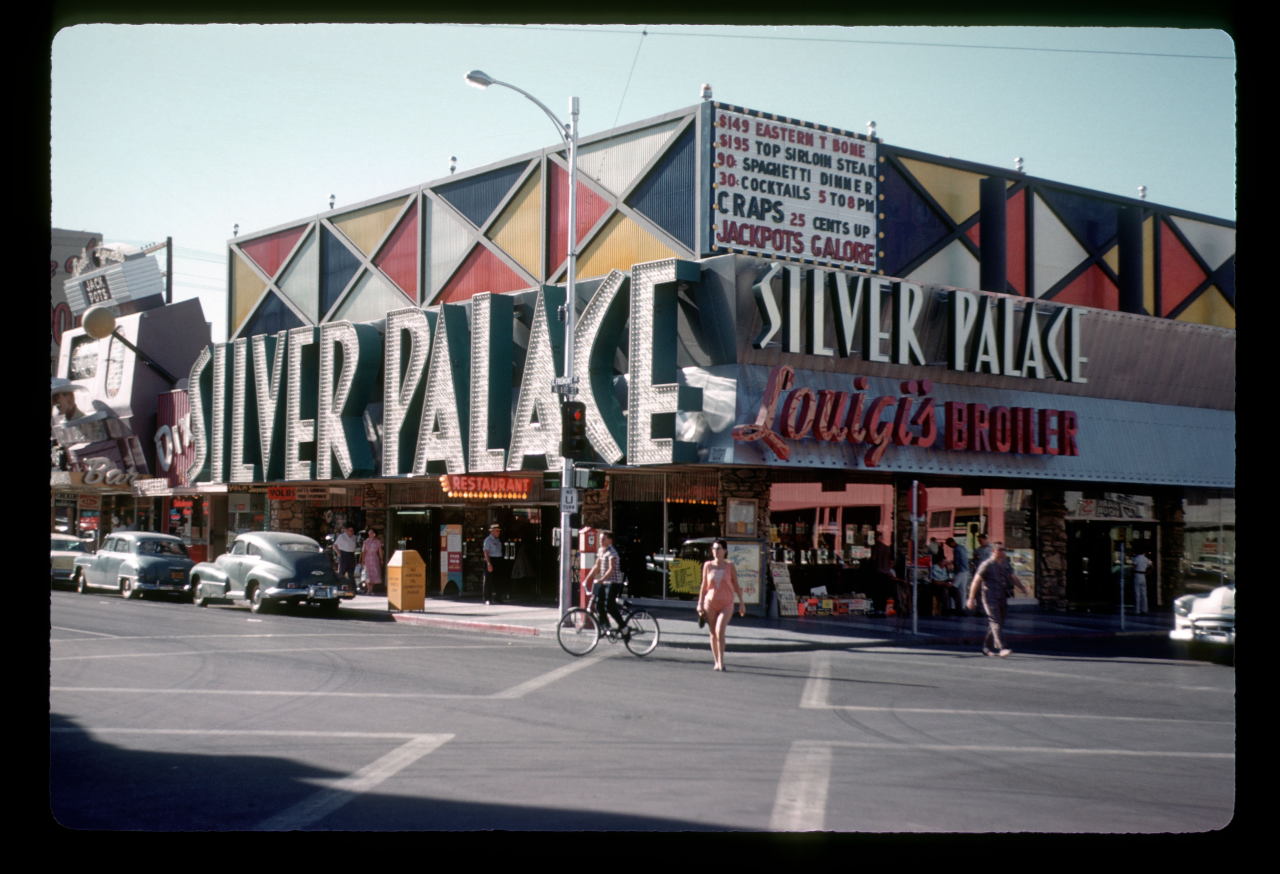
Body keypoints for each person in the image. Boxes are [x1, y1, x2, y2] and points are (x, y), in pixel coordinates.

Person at [966, 541, 1028, 657]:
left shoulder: (1005, 564)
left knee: (997, 622)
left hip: (1002, 595)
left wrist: (1022, 588)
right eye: (1001, 550)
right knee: (995, 621)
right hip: (989, 596)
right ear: (994, 551)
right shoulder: (987, 564)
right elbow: (976, 581)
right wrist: (971, 598)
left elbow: (1012, 577)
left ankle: (986, 647)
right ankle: (1002, 648)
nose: (1003, 552)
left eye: (1004, 549)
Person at [697, 539, 746, 672]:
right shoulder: (708, 565)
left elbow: (736, 584)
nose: (715, 551)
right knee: (713, 633)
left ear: (725, 551)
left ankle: (722, 661)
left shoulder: (729, 566)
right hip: (710, 603)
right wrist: (700, 603)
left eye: (718, 548)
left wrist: (741, 603)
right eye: (714, 549)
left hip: (727, 603)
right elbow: (704, 586)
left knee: (720, 630)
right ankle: (716, 661)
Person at [584, 530, 625, 633]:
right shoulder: (601, 550)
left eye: (603, 539)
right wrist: (586, 579)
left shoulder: (612, 552)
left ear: (610, 541)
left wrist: (601, 579)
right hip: (605, 582)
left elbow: (611, 569)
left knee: (609, 606)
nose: (600, 541)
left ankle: (624, 627)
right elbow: (596, 566)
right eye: (600, 539)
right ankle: (606, 627)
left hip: (614, 583)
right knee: (598, 605)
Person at [945, 536, 970, 616]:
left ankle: (953, 607)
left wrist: (954, 568)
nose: (950, 547)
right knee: (962, 590)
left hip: (960, 571)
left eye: (949, 545)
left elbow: (958, 561)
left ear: (952, 542)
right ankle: (962, 607)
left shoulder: (957, 549)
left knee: (953, 588)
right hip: (965, 570)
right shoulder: (962, 547)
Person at [482, 523, 504, 605]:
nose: (498, 532)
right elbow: (486, 552)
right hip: (491, 559)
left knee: (498, 579)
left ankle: (498, 597)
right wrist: (488, 563)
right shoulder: (488, 540)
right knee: (488, 580)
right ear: (492, 532)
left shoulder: (498, 540)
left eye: (499, 531)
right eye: (497, 531)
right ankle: (487, 598)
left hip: (498, 559)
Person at [361, 528, 384, 594]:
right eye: (369, 533)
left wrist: (381, 559)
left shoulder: (378, 542)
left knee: (374, 574)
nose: (370, 534)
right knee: (367, 574)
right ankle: (369, 589)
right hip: (367, 558)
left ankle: (371, 589)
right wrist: (363, 560)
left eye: (371, 533)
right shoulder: (365, 541)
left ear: (374, 534)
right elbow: (363, 551)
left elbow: (380, 551)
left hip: (374, 559)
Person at [334, 525, 358, 590]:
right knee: (342, 572)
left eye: (352, 531)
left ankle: (353, 588)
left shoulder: (354, 537)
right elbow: (335, 546)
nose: (352, 532)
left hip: (351, 555)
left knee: (351, 573)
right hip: (344, 554)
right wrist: (339, 554)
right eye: (350, 530)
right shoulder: (342, 537)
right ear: (347, 531)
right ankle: (338, 587)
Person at [1132, 550, 1152, 614]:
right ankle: (1145, 609)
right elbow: (1151, 566)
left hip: (1137, 575)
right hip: (1143, 575)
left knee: (1137, 593)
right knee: (1144, 593)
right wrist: (1147, 573)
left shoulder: (1136, 558)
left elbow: (1134, 567)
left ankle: (1137, 610)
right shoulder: (1146, 559)